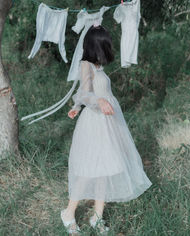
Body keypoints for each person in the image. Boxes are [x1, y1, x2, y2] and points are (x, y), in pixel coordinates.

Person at [61, 25, 152, 234]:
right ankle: (68, 212)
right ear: (97, 45)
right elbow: (84, 92)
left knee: (105, 168)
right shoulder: (86, 64)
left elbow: (89, 93)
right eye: (105, 43)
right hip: (94, 123)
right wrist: (95, 102)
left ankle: (97, 216)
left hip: (108, 123)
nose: (108, 47)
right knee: (88, 169)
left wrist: (78, 107)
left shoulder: (99, 67)